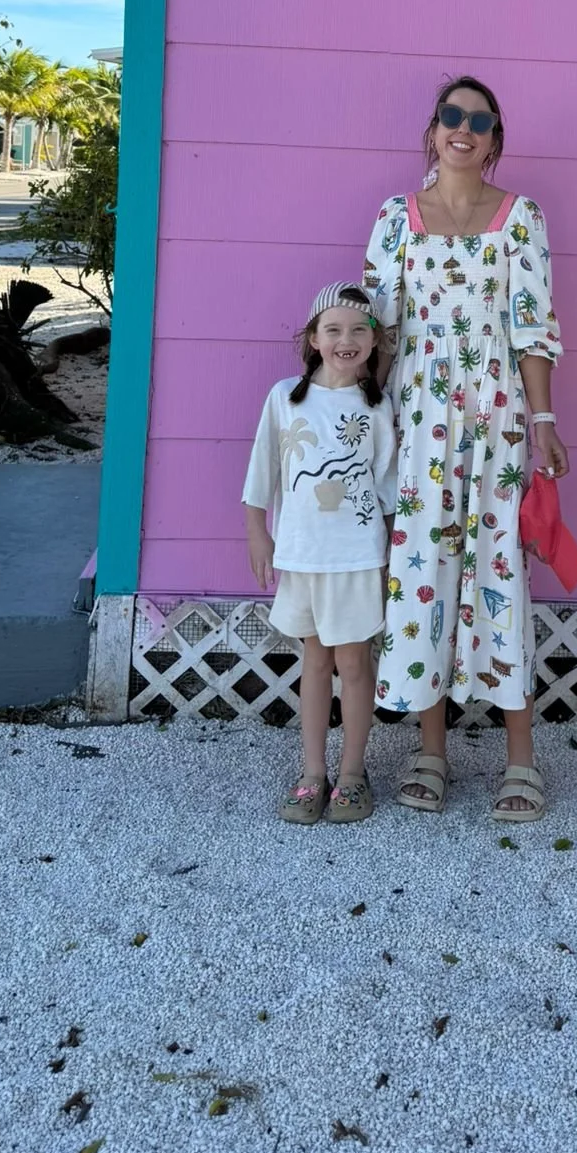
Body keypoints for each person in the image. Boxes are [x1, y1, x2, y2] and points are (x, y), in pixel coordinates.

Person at [363, 76, 568, 822]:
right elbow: (378, 330)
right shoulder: (395, 220)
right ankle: (430, 751)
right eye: (452, 115)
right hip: (417, 419)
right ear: (432, 131)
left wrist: (543, 420)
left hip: (496, 422)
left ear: (494, 140)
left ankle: (521, 760)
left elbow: (533, 327)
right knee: (424, 574)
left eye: (479, 121)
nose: (464, 128)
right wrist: (361, 423)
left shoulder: (521, 220)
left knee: (498, 572)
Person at [243, 283, 397, 825]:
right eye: (333, 330)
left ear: (375, 342)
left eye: (359, 330)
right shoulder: (285, 398)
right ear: (313, 338)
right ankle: (313, 771)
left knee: (355, 663)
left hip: (356, 557)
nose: (346, 340)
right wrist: (258, 533)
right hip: (302, 555)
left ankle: (353, 772)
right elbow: (263, 469)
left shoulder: (377, 407)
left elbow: (387, 488)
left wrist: (390, 556)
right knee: (314, 660)